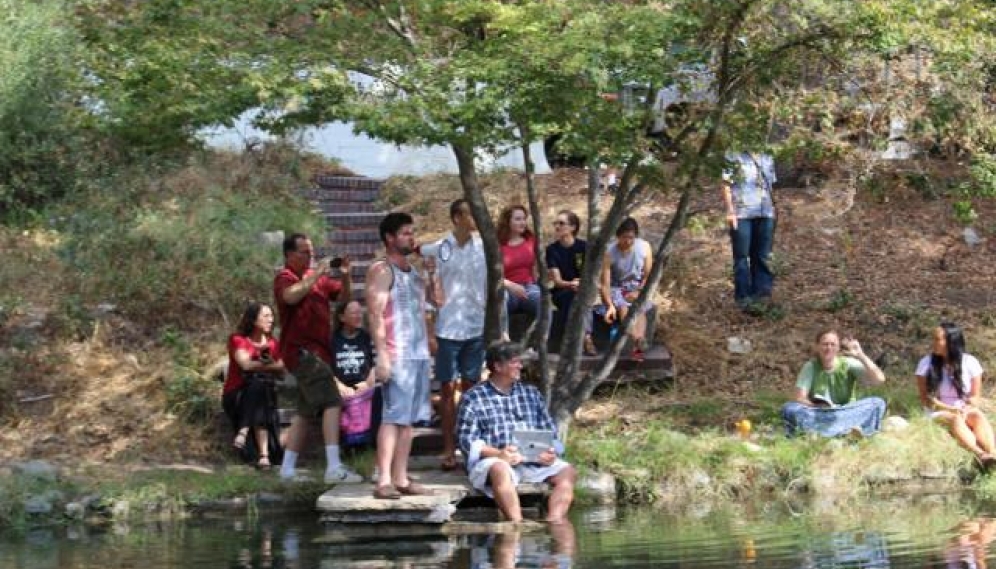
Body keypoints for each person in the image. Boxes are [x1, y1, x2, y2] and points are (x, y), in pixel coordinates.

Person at [273, 232, 362, 484]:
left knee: (304, 411)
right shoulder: (285, 277)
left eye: (311, 251)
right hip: (302, 352)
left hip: (320, 353)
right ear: (290, 255)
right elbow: (290, 296)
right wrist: (317, 273)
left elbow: (345, 300)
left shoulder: (321, 281)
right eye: (304, 251)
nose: (310, 255)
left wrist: (345, 276)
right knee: (333, 401)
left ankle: (287, 470)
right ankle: (333, 467)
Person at [456, 342, 577, 523]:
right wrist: (499, 454)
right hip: (495, 460)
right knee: (500, 469)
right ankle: (517, 524)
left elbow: (550, 433)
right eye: (515, 362)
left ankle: (555, 522)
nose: (520, 366)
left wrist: (551, 452)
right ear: (497, 366)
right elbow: (466, 440)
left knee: (567, 471)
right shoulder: (474, 397)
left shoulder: (531, 394)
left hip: (532, 459)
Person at [366, 212, 435, 499]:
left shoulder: (414, 272)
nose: (411, 237)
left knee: (408, 421)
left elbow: (435, 303)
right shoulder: (382, 270)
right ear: (389, 238)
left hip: (418, 353)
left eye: (411, 232)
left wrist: (433, 273)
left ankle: (401, 477)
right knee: (393, 417)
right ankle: (384, 480)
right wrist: (382, 355)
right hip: (397, 353)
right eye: (405, 233)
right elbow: (374, 313)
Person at [425, 199, 488, 472]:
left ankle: (471, 447)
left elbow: (493, 283)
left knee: (472, 389)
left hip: (476, 325)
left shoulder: (484, 249)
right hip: (448, 328)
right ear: (457, 218)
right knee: (448, 390)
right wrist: (430, 330)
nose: (475, 219)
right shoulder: (440, 249)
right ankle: (448, 447)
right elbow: (431, 291)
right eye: (470, 214)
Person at [780, 329, 887, 437]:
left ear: (838, 347)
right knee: (789, 408)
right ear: (817, 347)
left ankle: (820, 432)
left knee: (877, 403)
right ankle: (844, 430)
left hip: (846, 411)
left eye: (833, 344)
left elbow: (879, 380)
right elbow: (799, 397)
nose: (829, 348)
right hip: (819, 413)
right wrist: (815, 405)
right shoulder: (811, 366)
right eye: (825, 344)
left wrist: (861, 355)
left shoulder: (848, 364)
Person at [916, 323, 996, 466]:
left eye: (937, 339)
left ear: (951, 342)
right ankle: (980, 454)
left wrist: (966, 408)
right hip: (937, 410)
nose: (933, 343)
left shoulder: (970, 362)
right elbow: (926, 400)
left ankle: (992, 454)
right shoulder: (926, 364)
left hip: (963, 408)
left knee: (977, 416)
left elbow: (975, 396)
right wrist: (951, 409)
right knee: (954, 419)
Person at [223, 302, 285, 469]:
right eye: (266, 316)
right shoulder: (238, 339)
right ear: (253, 319)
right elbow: (246, 365)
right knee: (258, 384)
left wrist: (270, 363)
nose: (271, 320)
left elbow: (282, 371)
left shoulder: (272, 343)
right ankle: (262, 453)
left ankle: (244, 433)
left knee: (261, 385)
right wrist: (272, 366)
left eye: (272, 316)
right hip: (236, 395)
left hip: (263, 399)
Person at [721, 150, 777, 311]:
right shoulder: (733, 156)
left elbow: (770, 186)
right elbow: (726, 184)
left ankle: (762, 294)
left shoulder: (768, 156)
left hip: (764, 213)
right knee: (742, 257)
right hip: (742, 213)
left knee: (763, 255)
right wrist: (730, 211)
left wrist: (772, 209)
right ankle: (743, 298)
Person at [600, 217, 653, 361]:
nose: (628, 241)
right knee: (623, 307)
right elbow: (605, 282)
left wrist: (639, 291)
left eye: (631, 237)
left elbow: (648, 276)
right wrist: (610, 304)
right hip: (617, 287)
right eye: (624, 237)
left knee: (639, 307)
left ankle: (639, 341)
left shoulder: (644, 247)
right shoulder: (610, 252)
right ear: (618, 236)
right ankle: (637, 340)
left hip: (637, 286)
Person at [545, 209, 596, 355]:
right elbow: (558, 281)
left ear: (573, 227)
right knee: (573, 297)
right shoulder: (552, 250)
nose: (557, 227)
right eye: (556, 223)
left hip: (582, 288)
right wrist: (571, 284)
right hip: (562, 291)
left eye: (562, 223)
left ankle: (579, 340)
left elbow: (589, 274)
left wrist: (580, 283)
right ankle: (585, 337)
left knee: (581, 296)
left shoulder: (583, 247)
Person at [331, 300, 379, 447]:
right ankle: (346, 448)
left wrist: (367, 384)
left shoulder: (367, 337)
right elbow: (327, 368)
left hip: (365, 386)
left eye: (360, 312)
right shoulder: (332, 339)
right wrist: (340, 386)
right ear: (342, 317)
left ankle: (368, 446)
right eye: (353, 313)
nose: (358, 316)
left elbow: (375, 364)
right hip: (341, 387)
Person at [497, 204, 542, 341]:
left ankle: (538, 343)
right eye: (518, 219)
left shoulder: (530, 240)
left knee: (543, 300)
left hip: (528, 287)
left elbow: (535, 268)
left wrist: (538, 285)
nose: (523, 222)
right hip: (506, 288)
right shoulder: (497, 244)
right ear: (507, 222)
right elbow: (490, 274)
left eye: (524, 219)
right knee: (500, 298)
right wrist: (510, 285)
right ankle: (504, 340)